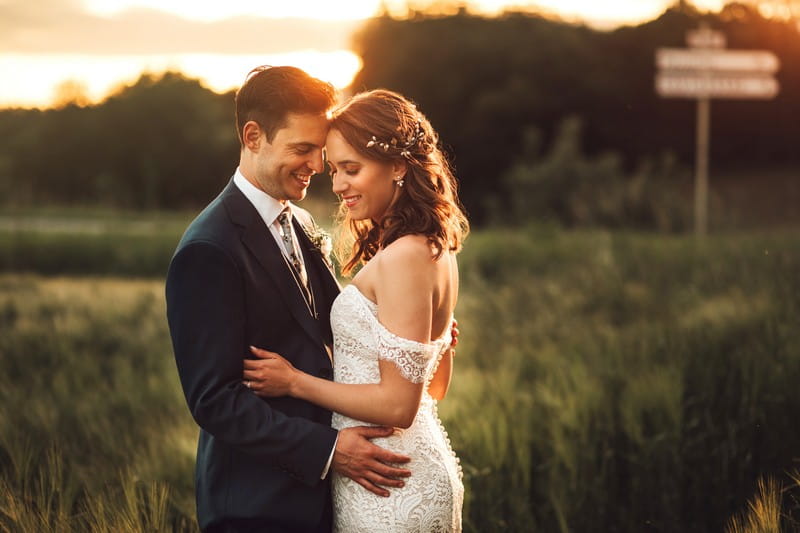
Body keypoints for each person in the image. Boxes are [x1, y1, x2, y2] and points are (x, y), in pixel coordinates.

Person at [165, 66, 414, 533]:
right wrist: (328, 449)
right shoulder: (208, 249)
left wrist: (407, 336)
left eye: (320, 150)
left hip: (322, 501)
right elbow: (214, 400)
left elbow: (327, 331)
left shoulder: (296, 221)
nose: (318, 166)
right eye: (302, 149)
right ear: (253, 136)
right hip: (256, 507)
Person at [243, 89, 470, 532]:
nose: (339, 185)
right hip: (400, 469)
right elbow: (434, 390)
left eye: (352, 169)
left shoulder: (405, 256)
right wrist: (443, 350)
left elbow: (399, 405)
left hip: (392, 485)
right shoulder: (434, 248)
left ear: (399, 167)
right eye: (335, 169)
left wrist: (294, 382)